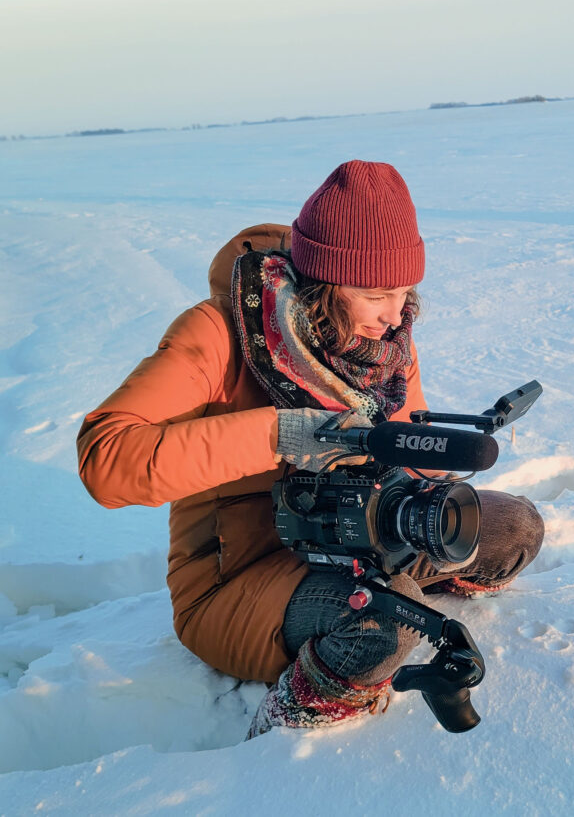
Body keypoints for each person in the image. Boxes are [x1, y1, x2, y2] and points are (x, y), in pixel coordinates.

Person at [77, 160, 544, 737]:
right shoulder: (218, 333)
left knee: (512, 527)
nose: (396, 314)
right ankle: (285, 730)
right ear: (325, 281)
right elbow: (106, 461)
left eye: (405, 291)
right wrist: (282, 435)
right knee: (384, 619)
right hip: (238, 580)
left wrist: (440, 454)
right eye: (375, 292)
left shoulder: (385, 342)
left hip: (359, 541)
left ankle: (382, 593)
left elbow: (399, 451)